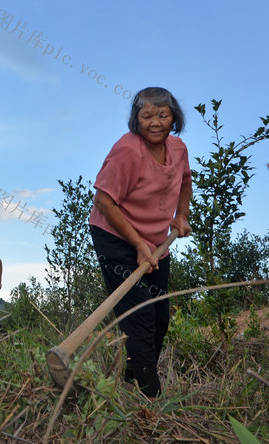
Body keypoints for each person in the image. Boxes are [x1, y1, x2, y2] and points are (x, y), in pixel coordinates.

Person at [88, 86, 192, 397]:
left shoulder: (178, 149)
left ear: (174, 118)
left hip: (157, 241)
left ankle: (131, 381)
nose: (156, 122)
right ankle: (150, 397)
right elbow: (104, 200)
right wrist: (137, 245)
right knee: (139, 316)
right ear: (136, 120)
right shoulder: (128, 150)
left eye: (163, 115)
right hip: (116, 236)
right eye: (147, 116)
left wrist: (181, 216)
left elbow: (186, 180)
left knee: (159, 316)